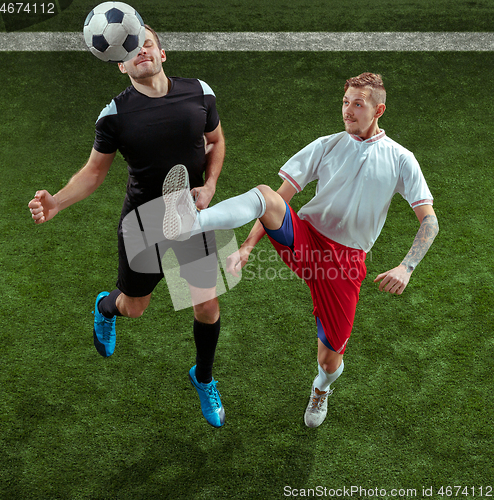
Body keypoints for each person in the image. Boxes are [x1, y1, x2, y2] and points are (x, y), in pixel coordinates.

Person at [162, 73, 439, 428]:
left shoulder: (401, 159)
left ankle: (322, 389)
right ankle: (191, 221)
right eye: (345, 103)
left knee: (329, 361)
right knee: (265, 193)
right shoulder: (325, 145)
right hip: (305, 239)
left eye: (358, 104)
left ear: (378, 110)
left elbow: (429, 221)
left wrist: (407, 267)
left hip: (344, 263)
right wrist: (246, 247)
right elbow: (278, 199)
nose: (348, 111)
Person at [28, 26, 227, 428]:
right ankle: (106, 305)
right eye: (132, 49)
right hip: (143, 222)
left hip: (189, 213)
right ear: (121, 64)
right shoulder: (115, 115)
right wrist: (57, 203)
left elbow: (216, 141)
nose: (142, 51)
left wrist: (209, 187)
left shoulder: (199, 92)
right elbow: (94, 172)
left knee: (206, 305)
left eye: (147, 43)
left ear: (162, 53)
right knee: (134, 308)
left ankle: (203, 377)